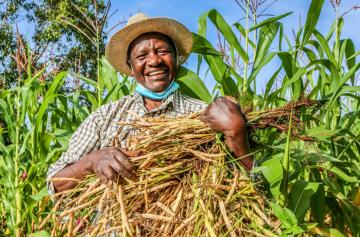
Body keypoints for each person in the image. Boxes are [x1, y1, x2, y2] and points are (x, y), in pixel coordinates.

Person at [47, 13, 253, 194]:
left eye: (163, 51)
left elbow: (250, 186)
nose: (154, 61)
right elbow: (54, 184)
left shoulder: (205, 116)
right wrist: (91, 162)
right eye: (142, 55)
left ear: (176, 59)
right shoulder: (106, 117)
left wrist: (237, 132)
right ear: (130, 65)